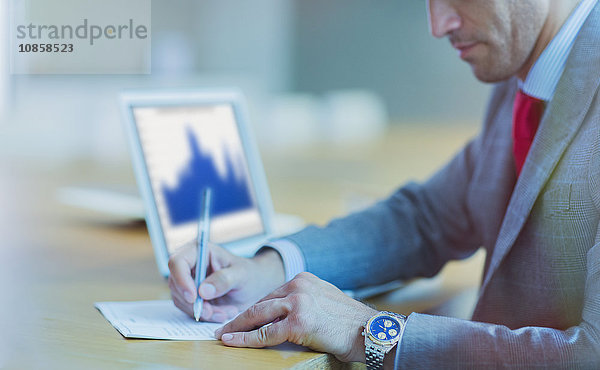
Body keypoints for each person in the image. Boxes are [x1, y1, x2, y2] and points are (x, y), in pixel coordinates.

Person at [168, 0, 600, 367]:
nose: (439, 25)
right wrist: (266, 271)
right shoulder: (529, 72)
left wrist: (368, 331)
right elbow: (425, 219)